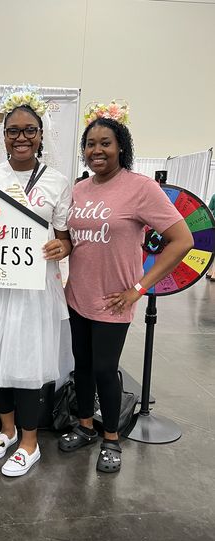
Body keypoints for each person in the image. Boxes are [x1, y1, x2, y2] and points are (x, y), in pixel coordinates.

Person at [59, 112, 194, 473]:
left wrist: (139, 289)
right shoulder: (79, 189)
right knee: (82, 367)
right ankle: (86, 426)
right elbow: (75, 241)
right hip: (77, 296)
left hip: (115, 300)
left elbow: (183, 240)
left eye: (105, 143)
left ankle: (111, 438)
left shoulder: (140, 187)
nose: (96, 150)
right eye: (90, 144)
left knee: (105, 370)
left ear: (121, 147)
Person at [0, 87, 73, 477]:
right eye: (13, 131)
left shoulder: (57, 181)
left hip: (36, 289)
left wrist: (61, 246)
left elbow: (65, 237)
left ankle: (30, 441)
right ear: (3, 135)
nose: (21, 137)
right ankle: (6, 431)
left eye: (29, 130)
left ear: (41, 133)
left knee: (27, 364)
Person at [206, 193, 215, 281]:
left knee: (212, 250)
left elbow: (210, 209)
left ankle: (209, 272)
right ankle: (214, 274)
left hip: (213, 224)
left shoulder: (214, 195)